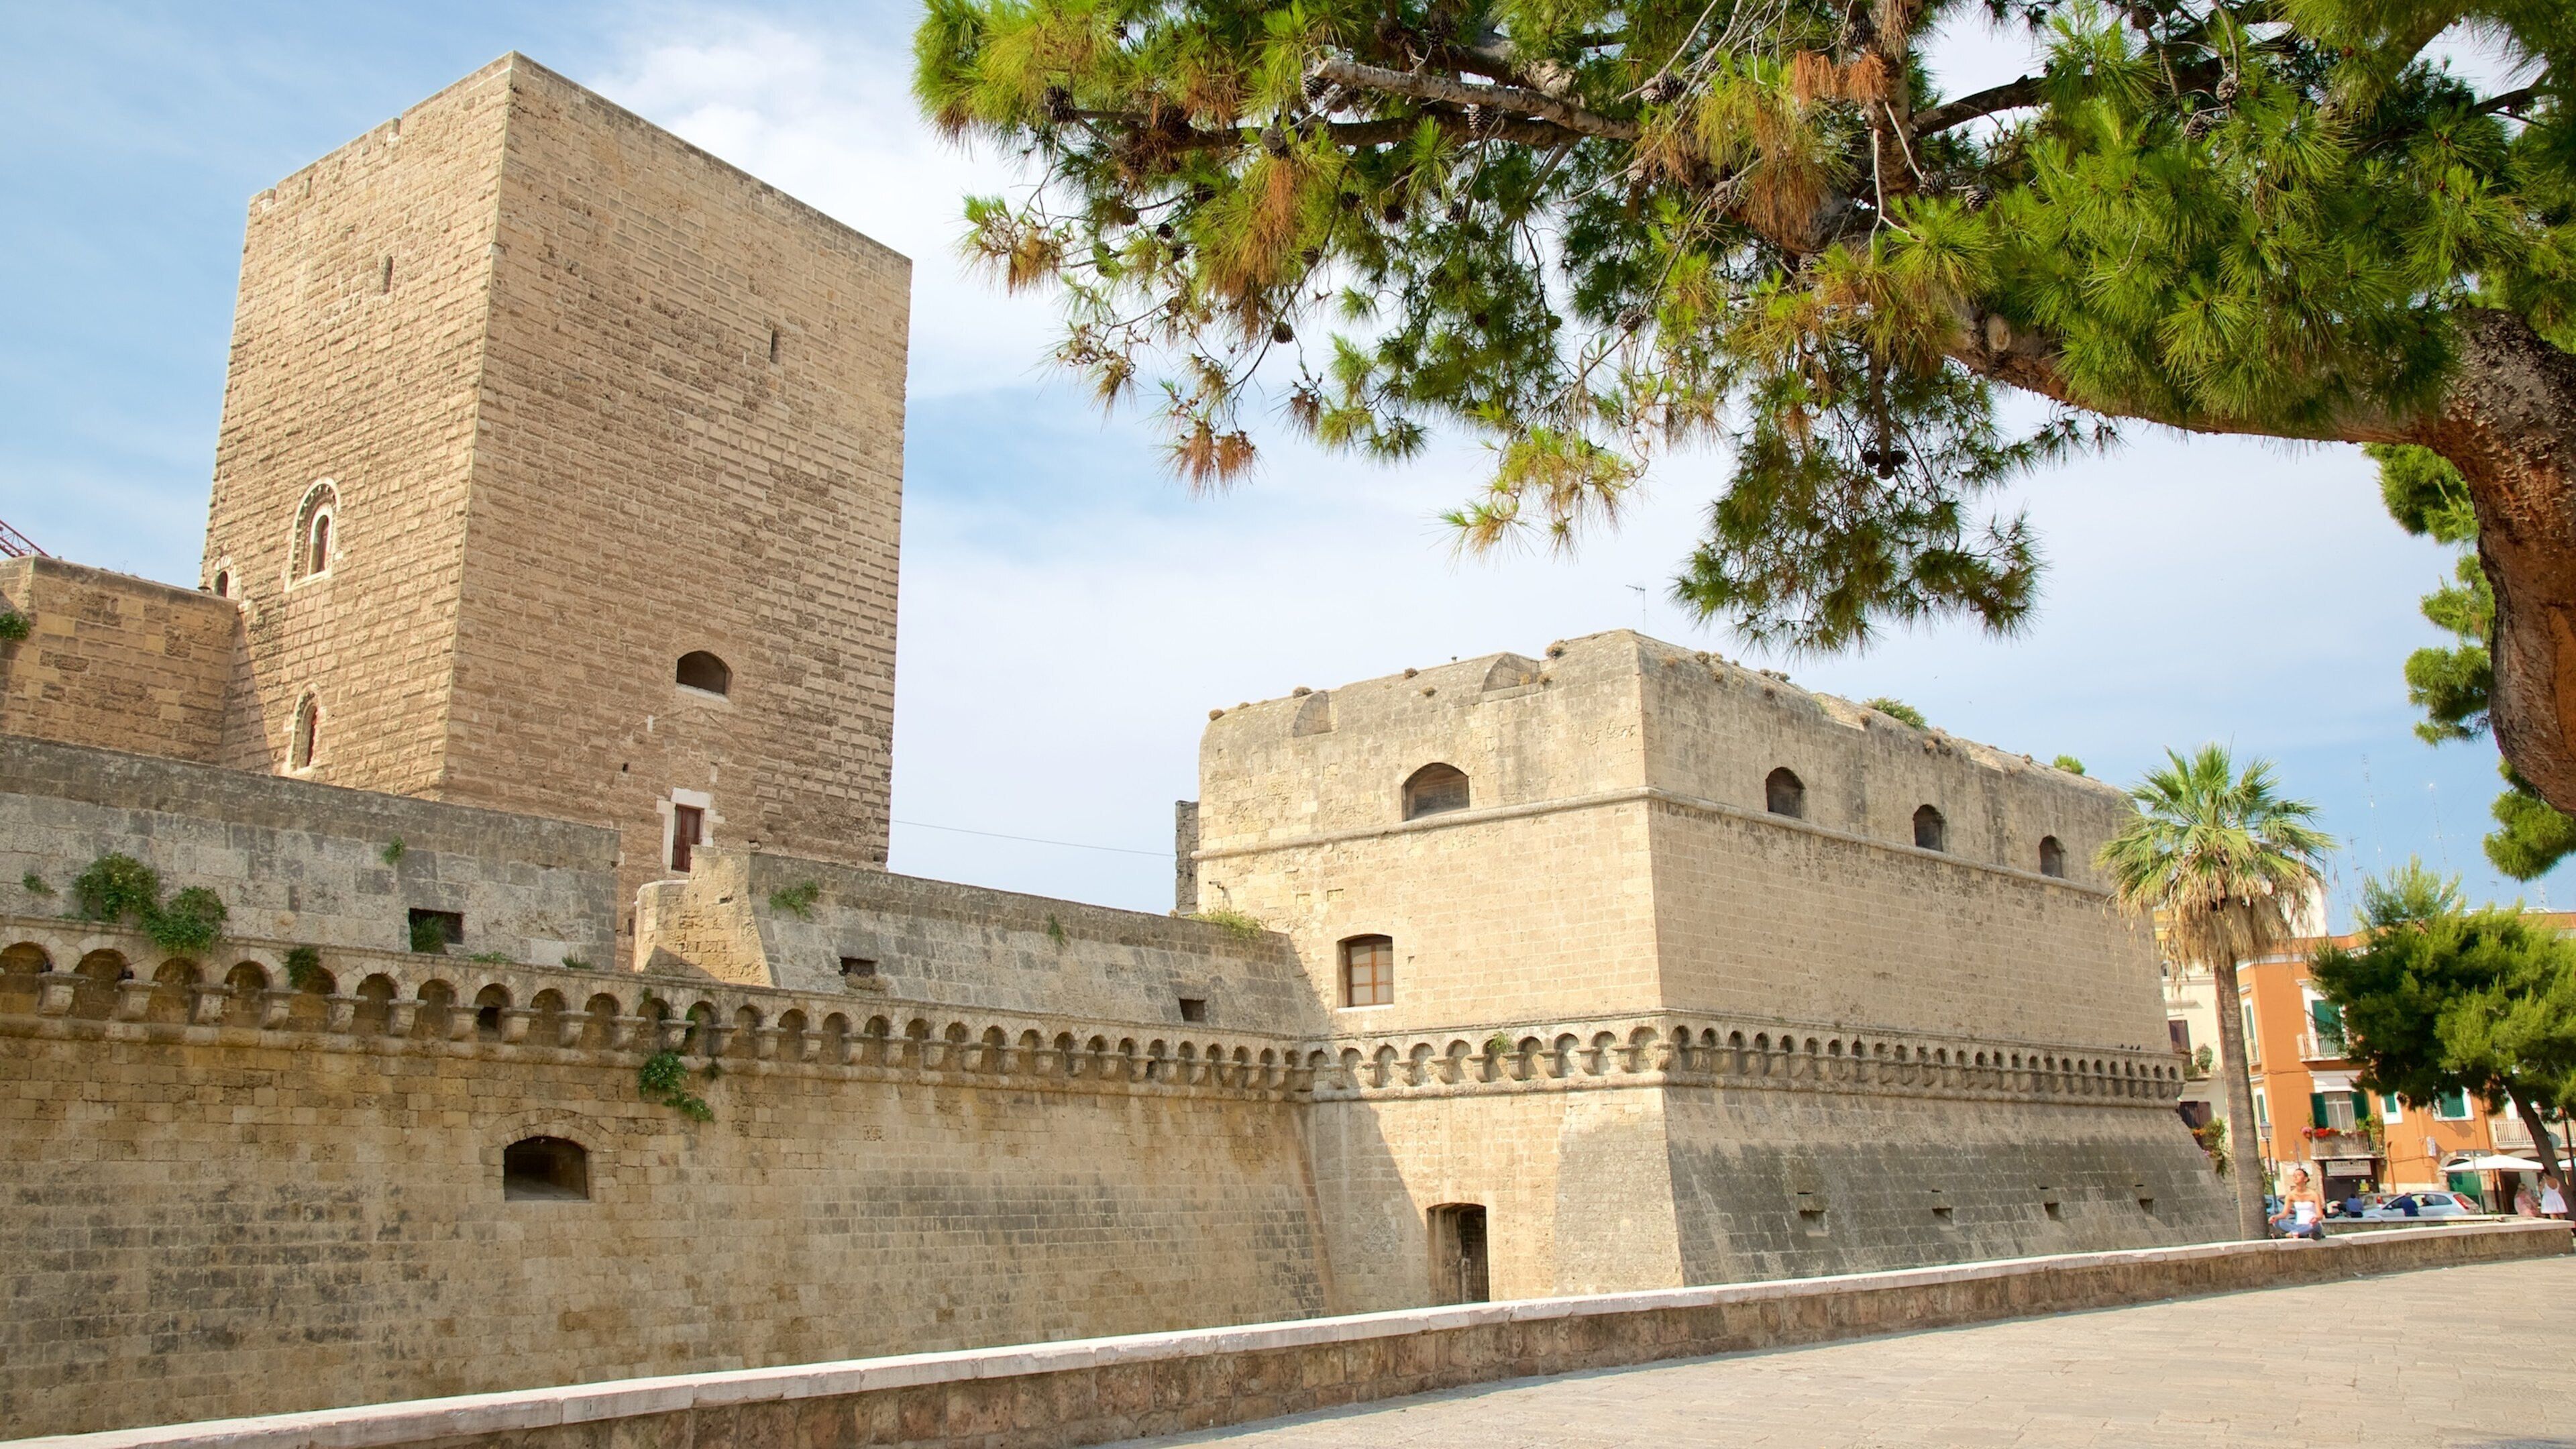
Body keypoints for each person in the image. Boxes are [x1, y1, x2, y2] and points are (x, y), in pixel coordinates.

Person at [2271, 1167, 2327, 1240]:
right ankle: (2302, 1234)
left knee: (2313, 1225)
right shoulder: (2291, 1195)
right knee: (2278, 1223)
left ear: (2305, 1179)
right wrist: (2276, 1217)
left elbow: (2320, 1215)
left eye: (2299, 1175)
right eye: (2294, 1175)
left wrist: (2316, 1219)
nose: (2295, 1177)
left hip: (2311, 1225)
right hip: (2297, 1225)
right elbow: (2284, 1214)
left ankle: (2288, 1235)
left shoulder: (2313, 1194)